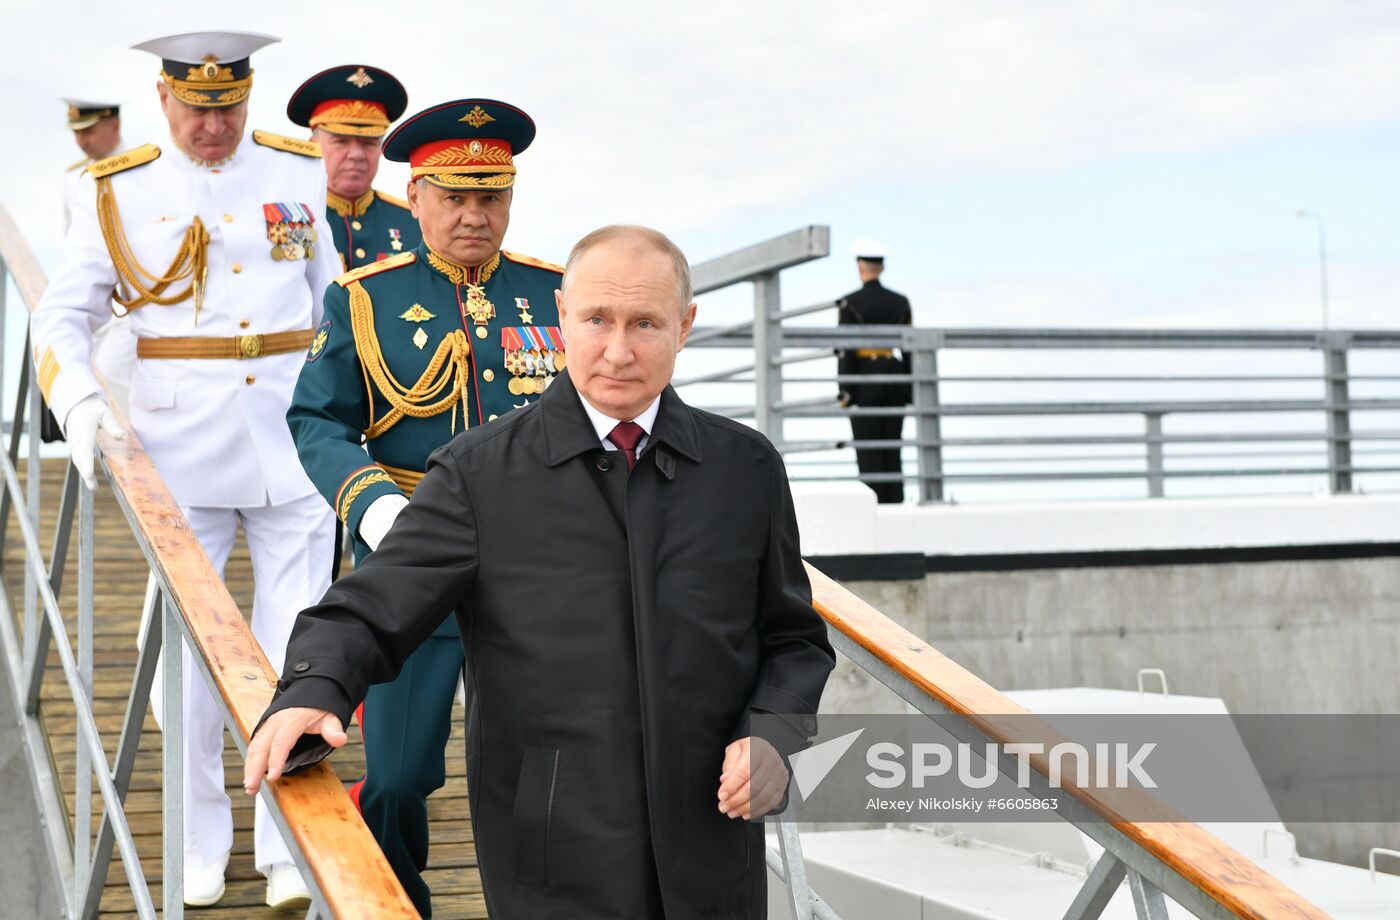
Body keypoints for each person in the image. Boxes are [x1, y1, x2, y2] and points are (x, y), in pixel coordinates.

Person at [246, 225, 836, 919]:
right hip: (556, 857)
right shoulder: (478, 475)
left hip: (712, 844)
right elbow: (372, 605)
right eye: (596, 320)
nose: (618, 351)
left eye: (645, 323)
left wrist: (776, 733)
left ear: (686, 325)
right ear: (560, 318)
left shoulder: (746, 469)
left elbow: (794, 640)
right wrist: (315, 685)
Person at [31, 30, 341, 909]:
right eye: (200, 109)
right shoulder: (117, 190)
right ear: (165, 101)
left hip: (294, 436)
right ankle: (201, 839)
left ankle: (288, 848)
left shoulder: (294, 170)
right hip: (178, 452)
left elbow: (335, 299)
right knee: (186, 663)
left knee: (300, 653)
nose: (216, 125)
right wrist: (82, 405)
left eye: (231, 107)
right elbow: (60, 320)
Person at [285, 96, 565, 916]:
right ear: (418, 198)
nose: (475, 215)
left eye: (492, 196)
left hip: (539, 569)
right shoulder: (365, 298)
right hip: (413, 557)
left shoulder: (553, 294)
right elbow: (317, 420)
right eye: (455, 196)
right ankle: (394, 901)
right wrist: (370, 505)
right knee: (401, 773)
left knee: (545, 767)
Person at [44, 99, 138, 437]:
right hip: (92, 300)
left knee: (113, 379)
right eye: (77, 133)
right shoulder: (75, 179)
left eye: (89, 130)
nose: (83, 141)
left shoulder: (142, 170)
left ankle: (129, 470)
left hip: (130, 305)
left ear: (114, 124)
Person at [286, 64, 421, 272]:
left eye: (368, 142)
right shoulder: (289, 219)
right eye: (341, 141)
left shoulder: (415, 223)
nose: (356, 154)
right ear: (312, 145)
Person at [837, 240, 913, 503]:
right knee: (892, 449)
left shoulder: (850, 303)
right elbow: (909, 348)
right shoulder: (900, 302)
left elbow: (845, 350)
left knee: (868, 451)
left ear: (860, 266)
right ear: (882, 267)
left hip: (863, 382)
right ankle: (896, 503)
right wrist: (911, 389)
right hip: (894, 379)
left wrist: (845, 391)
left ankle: (874, 505)